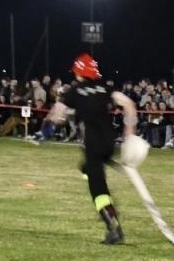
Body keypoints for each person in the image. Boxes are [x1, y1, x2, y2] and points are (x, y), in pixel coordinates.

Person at [44, 53, 139, 245]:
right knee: (86, 168)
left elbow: (58, 116)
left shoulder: (74, 90)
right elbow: (129, 104)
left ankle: (113, 227)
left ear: (78, 73)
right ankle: (99, 190)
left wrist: (47, 129)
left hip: (93, 144)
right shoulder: (105, 88)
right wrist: (129, 134)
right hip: (109, 143)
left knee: (98, 190)